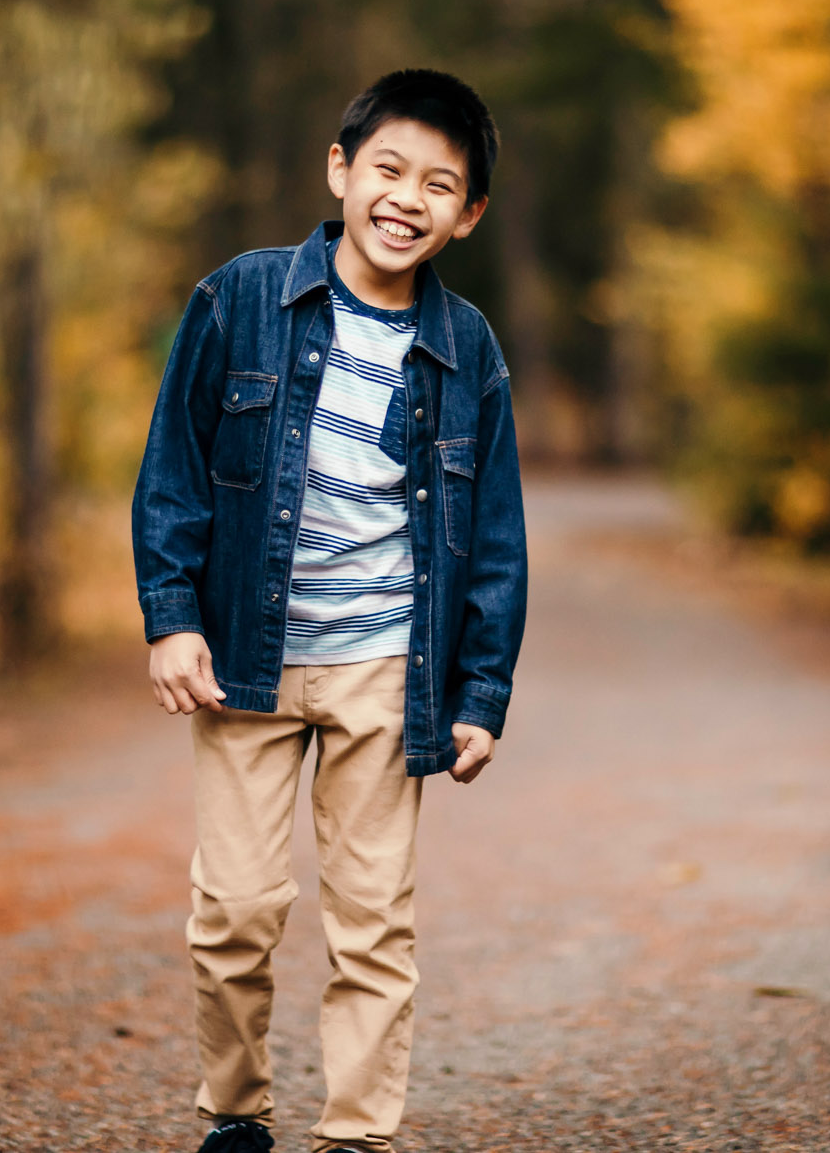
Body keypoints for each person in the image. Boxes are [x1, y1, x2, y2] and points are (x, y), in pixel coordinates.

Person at [130, 68, 530, 1153]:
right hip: (246, 662)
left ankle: (356, 1133)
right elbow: (172, 466)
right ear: (339, 169)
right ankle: (234, 1110)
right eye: (388, 170)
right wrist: (172, 615)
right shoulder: (241, 298)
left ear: (468, 213)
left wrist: (478, 692)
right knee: (236, 910)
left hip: (385, 670)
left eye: (439, 185)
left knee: (371, 921)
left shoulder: (468, 349)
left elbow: (492, 534)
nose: (407, 199)